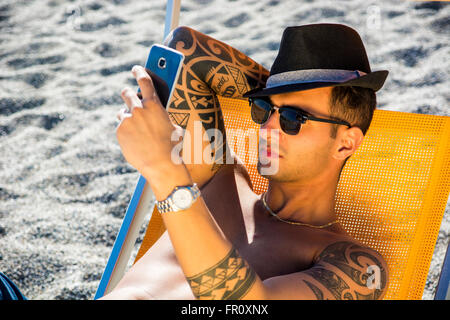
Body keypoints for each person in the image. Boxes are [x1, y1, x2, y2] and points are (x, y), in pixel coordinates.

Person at [103, 23, 389, 300]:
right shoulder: (221, 179)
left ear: (346, 143)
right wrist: (286, 84)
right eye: (264, 109)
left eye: (293, 118)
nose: (267, 129)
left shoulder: (357, 266)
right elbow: (186, 51)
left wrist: (168, 175)